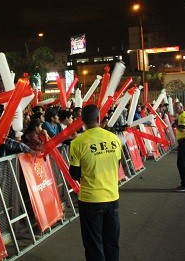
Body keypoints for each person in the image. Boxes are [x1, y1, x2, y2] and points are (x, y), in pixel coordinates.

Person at [69, 104, 122, 261]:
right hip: (112, 197)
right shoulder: (114, 138)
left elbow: (75, 174)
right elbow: (117, 165)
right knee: (112, 243)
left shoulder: (77, 143)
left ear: (82, 121)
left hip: (90, 199)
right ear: (99, 118)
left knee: (94, 245)